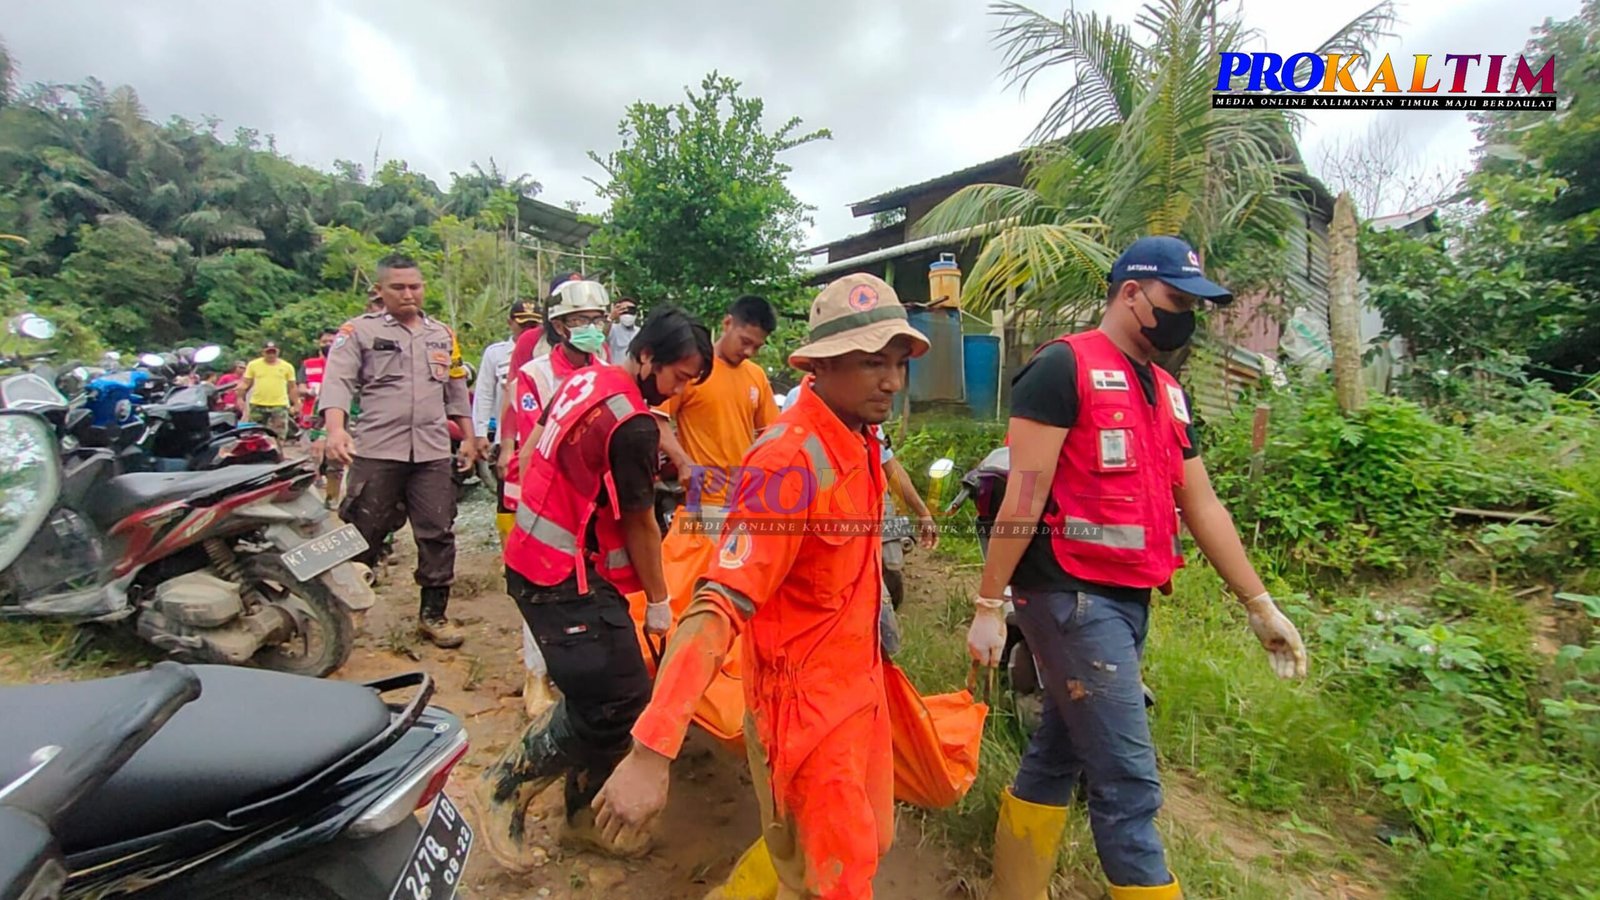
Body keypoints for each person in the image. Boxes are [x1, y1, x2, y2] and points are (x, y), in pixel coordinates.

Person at [966, 236, 1309, 900]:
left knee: (1060, 749)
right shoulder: (1062, 367)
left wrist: (1258, 603)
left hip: (1127, 599)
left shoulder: (1169, 393)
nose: (1185, 317)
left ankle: (1012, 889)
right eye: (1175, 300)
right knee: (1128, 783)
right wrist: (987, 605)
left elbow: (1201, 503)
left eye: (1193, 305)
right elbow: (1025, 493)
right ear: (1131, 293)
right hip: (1068, 596)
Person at [592, 273, 930, 898]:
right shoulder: (788, 462)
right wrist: (652, 749)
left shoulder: (859, 440)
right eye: (872, 363)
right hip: (806, 713)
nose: (891, 381)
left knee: (870, 840)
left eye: (898, 363)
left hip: (859, 690)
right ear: (821, 366)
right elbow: (716, 605)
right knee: (837, 878)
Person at [469, 307, 712, 870]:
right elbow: (640, 521)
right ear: (646, 356)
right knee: (617, 701)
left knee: (611, 687)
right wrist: (658, 602)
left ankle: (584, 817)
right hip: (558, 576)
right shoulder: (631, 422)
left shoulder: (588, 378)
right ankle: (502, 784)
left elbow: (536, 450)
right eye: (677, 377)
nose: (677, 392)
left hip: (547, 556)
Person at [320, 253, 480, 650]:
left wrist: (469, 437)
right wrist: (336, 430)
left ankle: (433, 616)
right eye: (398, 287)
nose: (408, 294)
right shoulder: (358, 331)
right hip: (378, 449)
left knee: (438, 531)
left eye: (415, 286)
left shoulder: (442, 334)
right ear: (380, 290)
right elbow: (337, 382)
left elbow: (455, 390)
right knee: (363, 530)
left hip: (431, 452)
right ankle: (344, 612)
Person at [509, 279, 615, 719]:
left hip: (596, 494)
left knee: (595, 582)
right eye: (579, 320)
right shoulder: (534, 376)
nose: (591, 327)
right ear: (559, 325)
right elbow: (536, 440)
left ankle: (586, 668)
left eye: (596, 319)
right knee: (543, 582)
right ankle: (536, 675)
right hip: (548, 495)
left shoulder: (607, 369)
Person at [657, 294, 780, 510]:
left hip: (746, 499)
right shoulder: (693, 370)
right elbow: (657, 420)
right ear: (727, 323)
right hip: (705, 500)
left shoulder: (756, 375)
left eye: (757, 347)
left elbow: (771, 435)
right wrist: (683, 461)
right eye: (745, 342)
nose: (749, 352)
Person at [475, 300, 542, 543]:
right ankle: (510, 550)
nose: (528, 330)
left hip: (538, 436)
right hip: (510, 437)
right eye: (523, 324)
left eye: (533, 324)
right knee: (508, 497)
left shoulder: (545, 351)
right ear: (510, 323)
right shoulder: (496, 354)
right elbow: (484, 393)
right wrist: (480, 432)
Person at [301, 328, 340, 496]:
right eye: (325, 342)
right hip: (313, 414)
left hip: (338, 415)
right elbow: (299, 387)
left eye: (332, 341)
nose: (328, 345)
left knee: (335, 457)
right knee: (313, 454)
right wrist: (309, 391)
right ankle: (314, 484)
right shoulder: (309, 364)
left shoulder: (346, 363)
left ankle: (332, 496)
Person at [237, 341, 298, 440]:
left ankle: (278, 449)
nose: (271, 355)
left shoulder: (287, 367)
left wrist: (296, 403)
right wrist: (240, 397)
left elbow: (292, 387)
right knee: (255, 434)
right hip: (257, 404)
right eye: (268, 352)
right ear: (263, 352)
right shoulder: (253, 365)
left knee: (279, 434)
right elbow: (246, 383)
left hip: (279, 404)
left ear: (278, 352)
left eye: (273, 352)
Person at [607, 296, 640, 363]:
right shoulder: (612, 329)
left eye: (631, 310)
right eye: (623, 310)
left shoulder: (640, 332)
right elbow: (601, 335)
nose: (627, 314)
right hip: (616, 369)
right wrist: (610, 318)